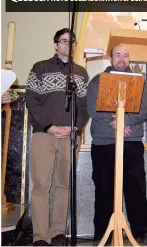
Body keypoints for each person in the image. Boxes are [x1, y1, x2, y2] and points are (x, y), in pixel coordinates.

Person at [25, 28, 89, 246]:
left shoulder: (80, 72)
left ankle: (58, 233)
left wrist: (75, 128)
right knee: (42, 185)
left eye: (72, 42)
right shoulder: (40, 67)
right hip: (45, 135)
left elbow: (84, 106)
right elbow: (32, 101)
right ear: (55, 45)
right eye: (63, 41)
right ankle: (41, 237)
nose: (68, 45)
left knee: (64, 185)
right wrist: (50, 126)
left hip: (70, 136)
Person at [87, 45, 147, 245]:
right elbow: (92, 107)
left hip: (131, 142)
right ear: (110, 58)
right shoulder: (97, 81)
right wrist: (116, 121)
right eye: (118, 55)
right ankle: (102, 233)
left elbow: (145, 108)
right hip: (104, 142)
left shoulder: (140, 82)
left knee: (136, 188)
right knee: (104, 188)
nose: (122, 58)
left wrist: (126, 122)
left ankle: (142, 231)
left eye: (125, 55)